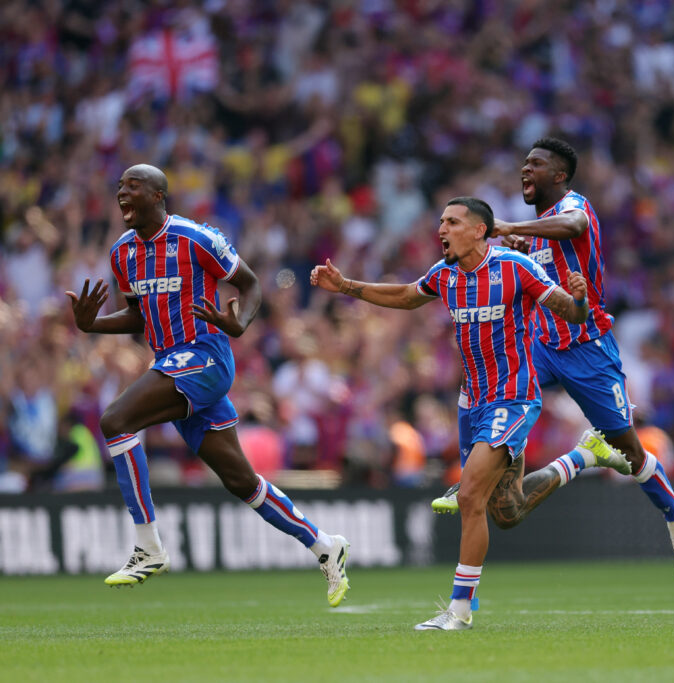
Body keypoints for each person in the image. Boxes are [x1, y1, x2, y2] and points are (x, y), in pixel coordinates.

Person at [311, 197, 630, 631]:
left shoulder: (516, 267)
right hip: (471, 402)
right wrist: (347, 286)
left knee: (468, 498)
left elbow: (570, 312)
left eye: (452, 221)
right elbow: (406, 296)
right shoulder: (445, 275)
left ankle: (459, 612)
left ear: (479, 230)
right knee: (507, 510)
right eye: (440, 221)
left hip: (513, 398)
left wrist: (577, 300)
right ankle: (583, 457)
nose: (441, 228)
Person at [65, 164, 350, 606]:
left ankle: (148, 546)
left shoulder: (197, 238)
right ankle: (325, 545)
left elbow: (251, 285)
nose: (122, 192)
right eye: (119, 186)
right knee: (241, 481)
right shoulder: (123, 252)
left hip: (205, 357)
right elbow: (140, 316)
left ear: (158, 196)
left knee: (115, 420)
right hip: (172, 367)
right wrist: (93, 325)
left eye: (133, 186)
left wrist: (240, 322)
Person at [435, 138, 674, 582]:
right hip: (538, 344)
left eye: (535, 164)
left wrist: (503, 227)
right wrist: (515, 246)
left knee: (629, 449)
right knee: (492, 382)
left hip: (587, 346)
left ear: (558, 175)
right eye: (523, 162)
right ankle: (478, 476)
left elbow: (574, 225)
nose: (525, 169)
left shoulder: (575, 208)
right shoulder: (536, 229)